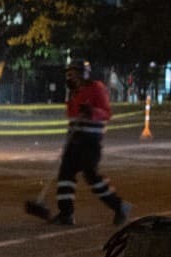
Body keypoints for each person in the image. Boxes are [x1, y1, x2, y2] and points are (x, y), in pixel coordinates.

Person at [51, 59, 132, 226]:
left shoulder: (96, 88)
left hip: (90, 141)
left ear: (84, 73)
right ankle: (66, 213)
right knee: (65, 175)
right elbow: (72, 115)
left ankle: (120, 206)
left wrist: (91, 111)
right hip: (75, 140)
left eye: (74, 72)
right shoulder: (73, 92)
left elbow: (106, 113)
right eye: (70, 73)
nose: (71, 76)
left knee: (91, 175)